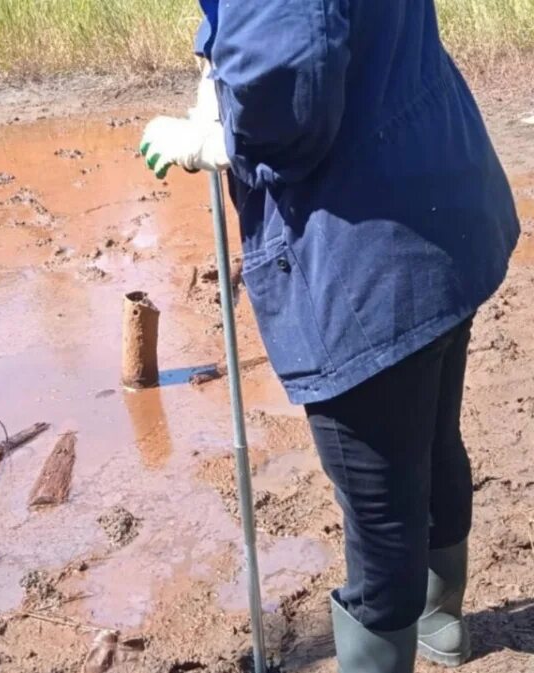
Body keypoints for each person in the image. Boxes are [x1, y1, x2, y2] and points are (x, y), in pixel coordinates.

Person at [137, 2, 520, 672]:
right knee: (431, 441)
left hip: (366, 254)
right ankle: (441, 621)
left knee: (382, 515)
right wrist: (217, 63)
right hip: (442, 195)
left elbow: (287, 74)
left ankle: (396, 644)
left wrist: (225, 133)